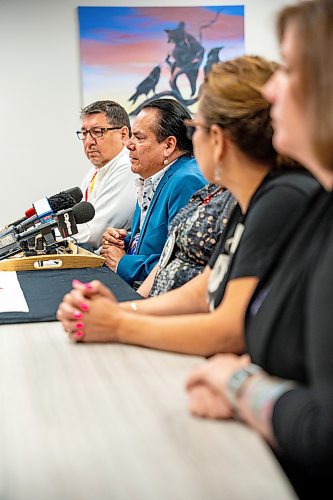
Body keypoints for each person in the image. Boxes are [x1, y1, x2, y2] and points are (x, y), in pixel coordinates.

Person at [57, 55, 319, 359]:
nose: (191, 143)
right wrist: (120, 310)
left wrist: (118, 323)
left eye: (196, 129)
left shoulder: (280, 197)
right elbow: (201, 291)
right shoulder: (243, 198)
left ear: (217, 140)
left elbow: (229, 330)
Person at [185, 1, 333, 498]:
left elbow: (326, 432)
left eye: (288, 69)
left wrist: (240, 386)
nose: (272, 88)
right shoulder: (317, 208)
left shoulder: (291, 198)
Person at [100, 98, 206, 287]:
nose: (128, 145)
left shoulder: (186, 180)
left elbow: (182, 266)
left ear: (168, 146)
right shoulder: (155, 176)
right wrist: (127, 240)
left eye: (139, 138)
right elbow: (160, 240)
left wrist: (123, 263)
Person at [137, 183, 236, 298]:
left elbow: (211, 286)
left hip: (184, 309)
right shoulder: (213, 189)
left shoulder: (186, 179)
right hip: (157, 300)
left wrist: (123, 263)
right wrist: (136, 301)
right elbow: (168, 254)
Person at [75, 100, 137, 252]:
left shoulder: (127, 167)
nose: (88, 142)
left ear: (123, 135)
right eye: (84, 133)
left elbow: (93, 235)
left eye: (97, 132)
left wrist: (54, 233)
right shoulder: (96, 170)